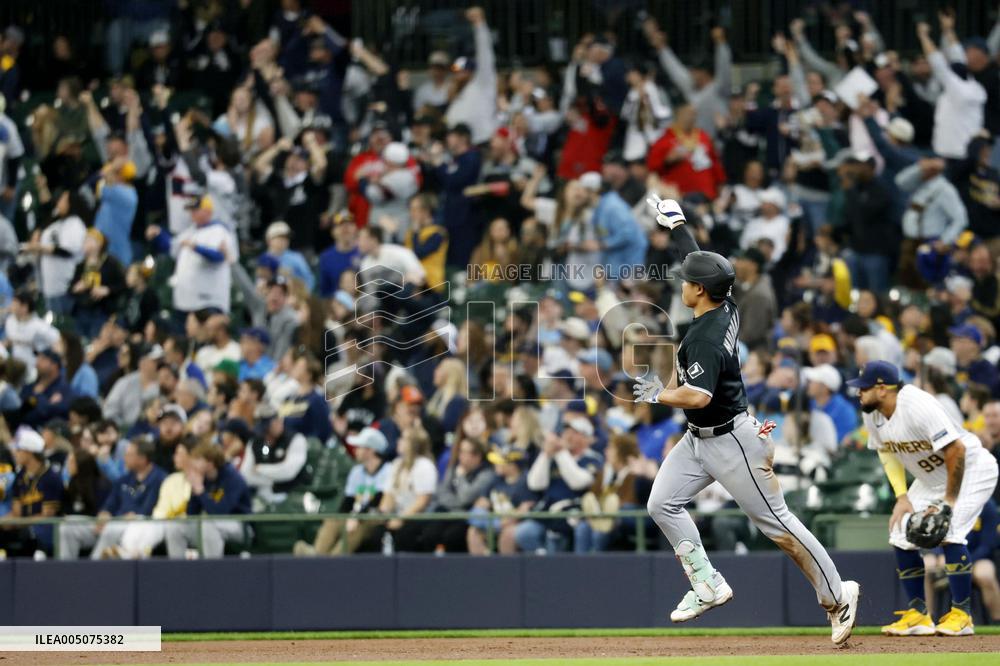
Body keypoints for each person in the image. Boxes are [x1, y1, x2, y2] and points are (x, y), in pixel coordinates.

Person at [633, 197, 858, 644]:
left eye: (688, 282)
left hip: (730, 440)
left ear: (700, 291)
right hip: (700, 440)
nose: (682, 283)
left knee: (777, 523)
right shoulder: (724, 301)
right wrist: (678, 223)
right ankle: (708, 583)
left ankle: (838, 595)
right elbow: (699, 261)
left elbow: (697, 396)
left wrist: (659, 394)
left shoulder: (707, 336)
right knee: (661, 504)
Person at [850, 361, 998, 637]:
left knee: (949, 529)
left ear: (882, 389)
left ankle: (962, 614)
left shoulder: (917, 405)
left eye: (864, 388)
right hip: (932, 479)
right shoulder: (873, 413)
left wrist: (949, 502)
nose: (858, 393)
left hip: (971, 468)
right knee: (900, 531)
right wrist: (902, 496)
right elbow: (886, 451)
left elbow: (956, 449)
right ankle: (918, 614)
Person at [57, 438, 166, 559]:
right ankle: (66, 570)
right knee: (68, 527)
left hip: (136, 529)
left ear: (143, 459)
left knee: (112, 528)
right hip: (111, 523)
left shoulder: (160, 479)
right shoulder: (124, 479)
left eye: (129, 454)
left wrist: (122, 518)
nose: (124, 457)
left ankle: (92, 569)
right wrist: (104, 514)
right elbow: (110, 503)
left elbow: (149, 511)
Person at [294, 426, 391, 556]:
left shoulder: (388, 470)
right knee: (333, 519)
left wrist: (356, 518)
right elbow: (348, 502)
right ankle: (317, 555)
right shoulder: (357, 472)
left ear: (370, 450)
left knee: (356, 528)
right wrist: (346, 517)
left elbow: (378, 500)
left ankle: (333, 560)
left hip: (376, 518)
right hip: (357, 515)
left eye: (360, 447)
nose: (356, 450)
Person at [164, 442, 251, 558]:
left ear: (210, 463)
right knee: (175, 526)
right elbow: (191, 514)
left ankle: (210, 571)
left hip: (240, 526)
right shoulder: (202, 478)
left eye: (197, 459)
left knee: (209, 524)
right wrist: (195, 490)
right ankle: (177, 571)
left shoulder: (233, 478)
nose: (192, 463)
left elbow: (221, 512)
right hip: (211, 526)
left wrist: (200, 490)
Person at [0, 427, 64, 556]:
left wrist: (20, 523)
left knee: (28, 533)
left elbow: (47, 516)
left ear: (29, 452)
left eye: (19, 450)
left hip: (47, 529)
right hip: (24, 526)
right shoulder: (20, 476)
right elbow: (16, 512)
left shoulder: (51, 477)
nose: (15, 453)